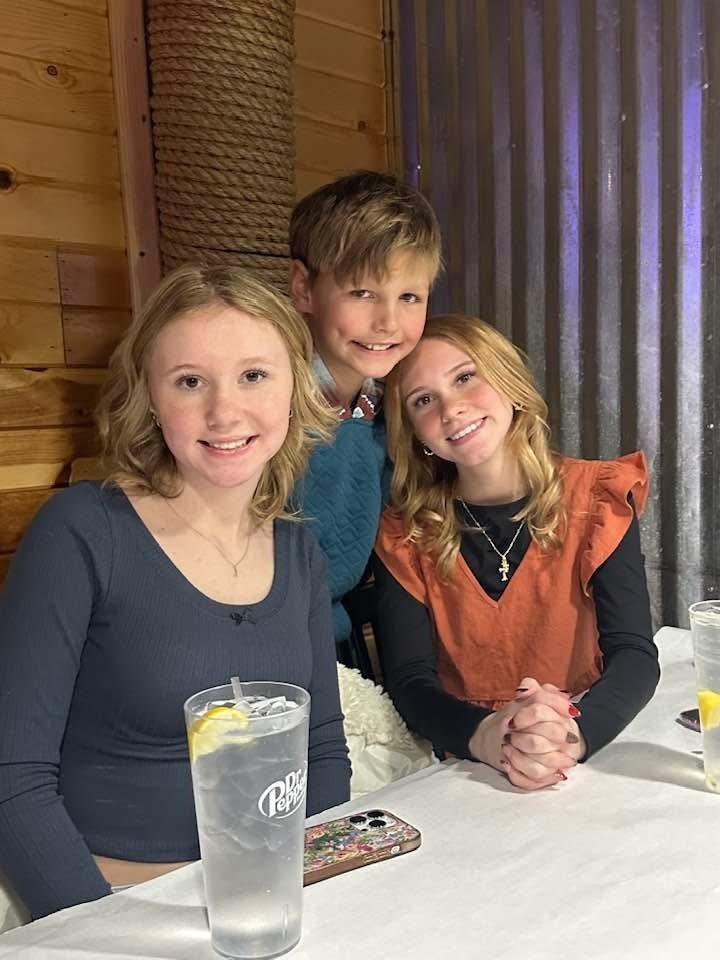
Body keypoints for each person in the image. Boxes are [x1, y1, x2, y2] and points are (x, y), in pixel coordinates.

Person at [0, 265, 350, 920]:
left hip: (274, 902)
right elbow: (11, 780)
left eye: (254, 375)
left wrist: (320, 897)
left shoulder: (299, 549)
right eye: (190, 381)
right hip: (120, 906)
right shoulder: (81, 533)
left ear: (294, 390)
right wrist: (100, 931)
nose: (224, 411)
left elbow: (323, 746)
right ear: (151, 399)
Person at [373, 314, 660, 790]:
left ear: (511, 383)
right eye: (423, 400)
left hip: (581, 748)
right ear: (414, 434)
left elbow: (633, 653)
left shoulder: (597, 498)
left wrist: (571, 735)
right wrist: (488, 735)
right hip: (465, 759)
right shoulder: (404, 534)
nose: (451, 409)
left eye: (465, 377)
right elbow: (410, 681)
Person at [288, 170, 442, 658]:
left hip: (343, 641)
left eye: (409, 297)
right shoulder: (267, 406)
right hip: (269, 645)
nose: (388, 323)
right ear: (303, 288)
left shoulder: (395, 402)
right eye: (362, 293)